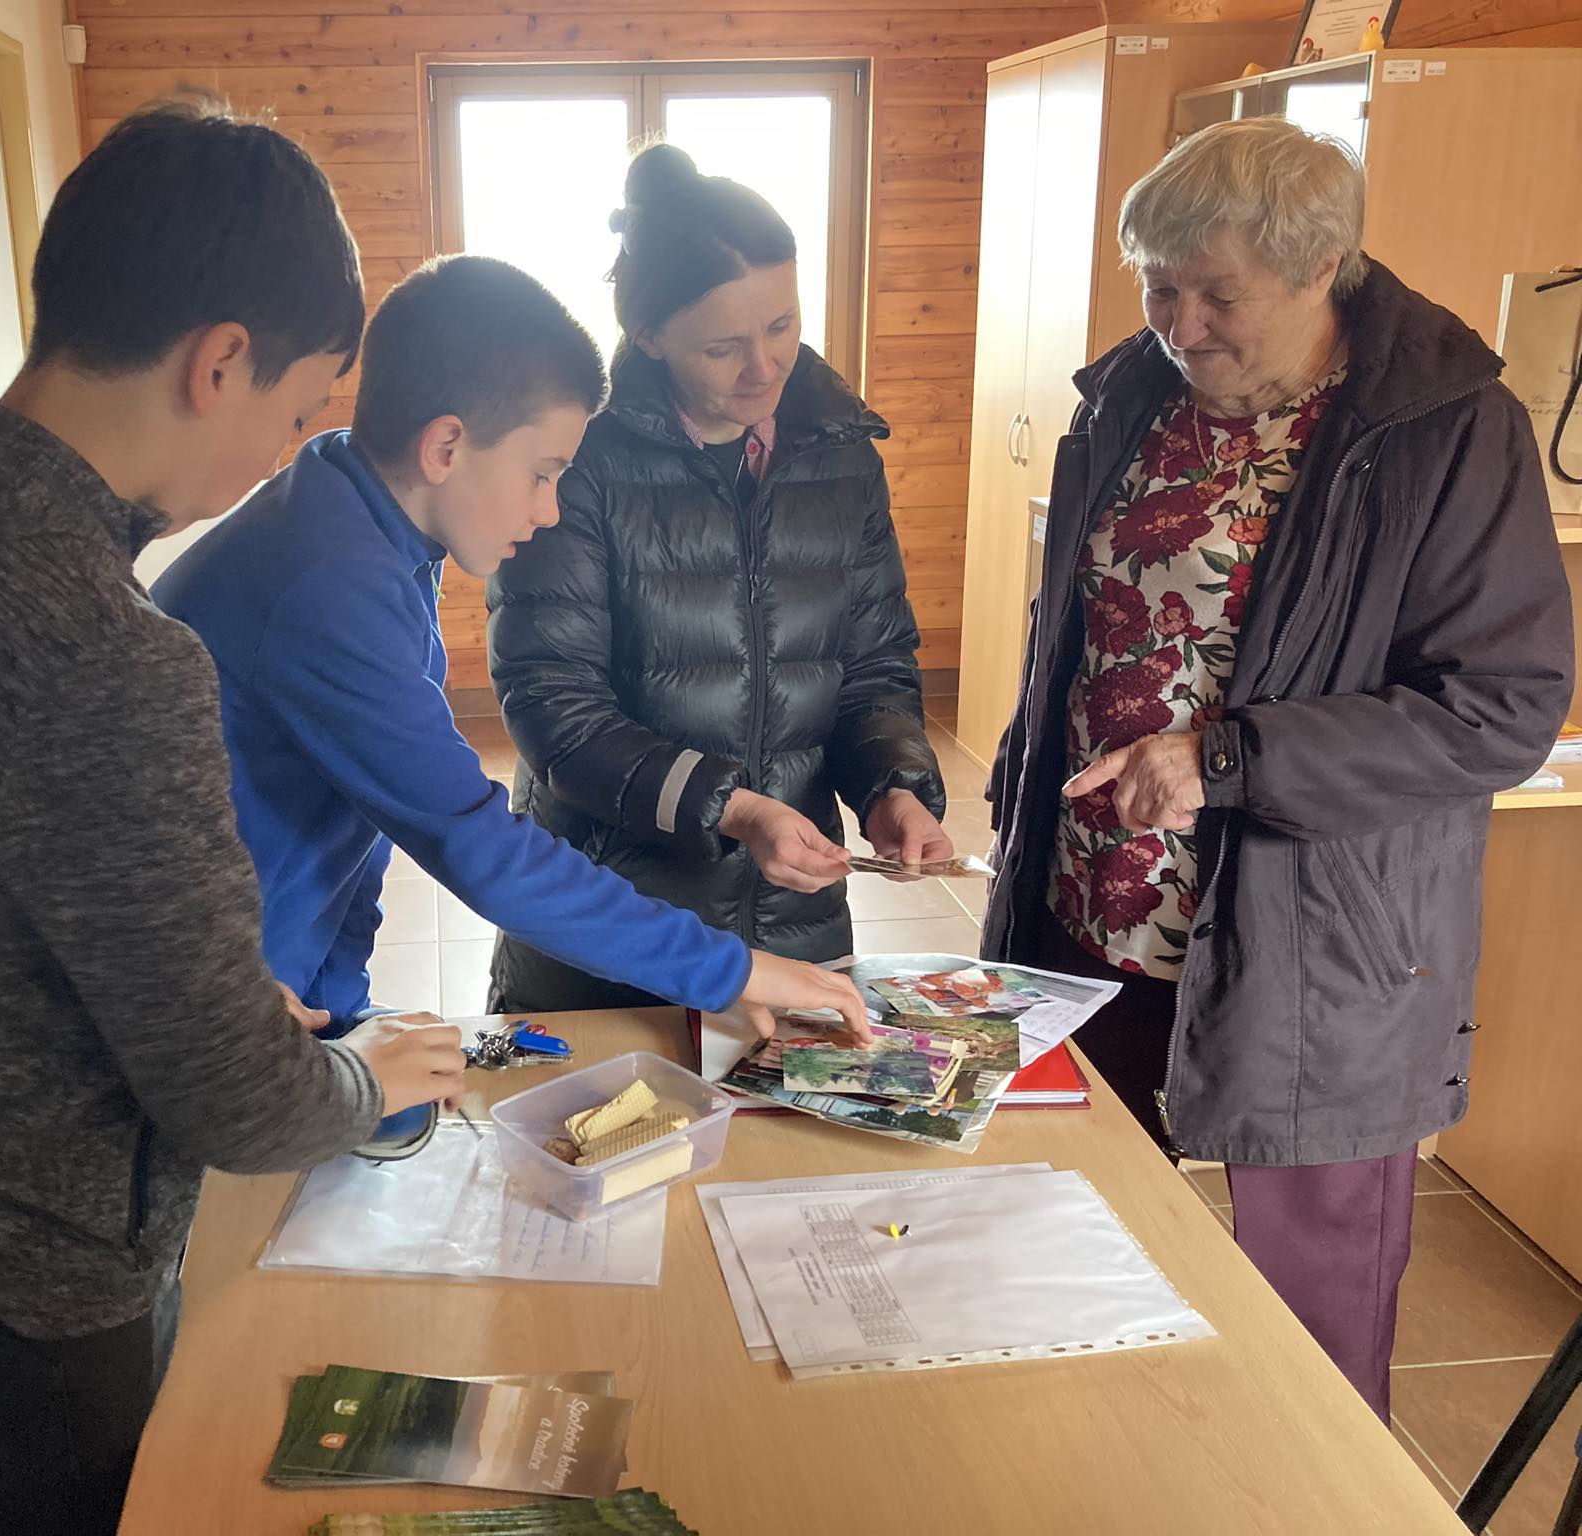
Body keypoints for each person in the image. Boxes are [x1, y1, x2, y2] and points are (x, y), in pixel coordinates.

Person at [0, 98, 467, 1535]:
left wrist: (197, 990)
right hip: (25, 1278)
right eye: (295, 415)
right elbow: (238, 1105)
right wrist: (367, 1073)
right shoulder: (98, 648)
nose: (283, 457)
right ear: (218, 363)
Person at [981, 118, 1573, 1419]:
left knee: (1310, 1325)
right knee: (1064, 1246)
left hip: (1316, 939)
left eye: (1217, 295)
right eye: (1157, 287)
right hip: (1093, 899)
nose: (1178, 326)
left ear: (1322, 269)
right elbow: (1075, 633)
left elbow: (1500, 708)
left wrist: (1227, 759)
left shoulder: (1445, 430)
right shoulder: (1126, 399)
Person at [153, 255, 869, 1152]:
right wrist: (731, 970)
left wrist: (339, 1014)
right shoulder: (327, 583)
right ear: (446, 447)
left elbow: (356, 824)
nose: (551, 508)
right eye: (543, 472)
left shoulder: (352, 515)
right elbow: (475, 844)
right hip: (207, 1008)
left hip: (274, 993)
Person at [485, 143, 950, 1015]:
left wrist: (893, 785)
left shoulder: (841, 453)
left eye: (782, 326)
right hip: (610, 921)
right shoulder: (579, 459)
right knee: (617, 1104)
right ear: (650, 336)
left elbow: (873, 665)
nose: (763, 368)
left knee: (784, 1105)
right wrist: (734, 809)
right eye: (723, 347)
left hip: (793, 915)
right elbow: (554, 708)